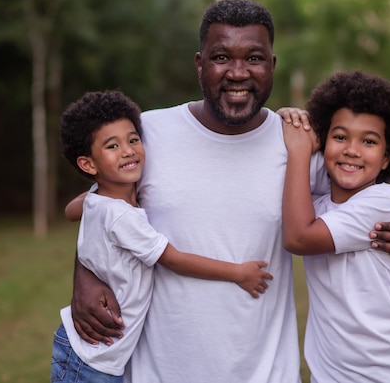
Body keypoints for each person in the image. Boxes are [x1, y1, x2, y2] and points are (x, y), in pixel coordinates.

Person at [67, 0, 390, 383]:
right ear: (200, 64)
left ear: (272, 65)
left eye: (254, 58)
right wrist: (86, 276)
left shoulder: (299, 145)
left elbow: (364, 195)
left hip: (266, 371)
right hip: (162, 370)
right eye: (222, 57)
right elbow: (99, 208)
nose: (238, 73)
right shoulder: (149, 135)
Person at [51, 90, 273, 383]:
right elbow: (174, 259)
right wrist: (238, 272)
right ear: (88, 165)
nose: (128, 151)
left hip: (92, 352)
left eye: (132, 140)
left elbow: (70, 210)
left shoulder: (97, 198)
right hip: (92, 359)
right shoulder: (122, 217)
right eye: (112, 146)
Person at [282, 70, 390, 382]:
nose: (352, 150)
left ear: (386, 158)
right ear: (323, 139)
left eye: (369, 141)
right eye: (340, 137)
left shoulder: (383, 201)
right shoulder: (316, 203)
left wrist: (299, 149)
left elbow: (299, 238)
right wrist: (292, 120)